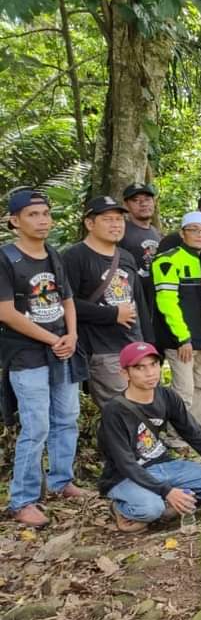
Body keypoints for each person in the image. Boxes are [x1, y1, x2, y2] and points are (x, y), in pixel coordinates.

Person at [0, 189, 88, 527]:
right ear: (14, 220)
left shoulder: (53, 253)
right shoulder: (6, 258)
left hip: (61, 348)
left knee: (67, 417)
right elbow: (6, 312)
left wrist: (72, 335)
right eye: (33, 214)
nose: (42, 220)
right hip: (26, 353)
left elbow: (66, 299)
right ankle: (22, 500)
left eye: (46, 214)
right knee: (36, 425)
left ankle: (61, 481)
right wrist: (54, 339)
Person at [99, 341, 201, 533]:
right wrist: (167, 491)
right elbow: (125, 464)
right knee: (150, 509)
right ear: (125, 373)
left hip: (163, 465)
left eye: (154, 365)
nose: (150, 373)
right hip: (125, 476)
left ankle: (166, 500)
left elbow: (194, 433)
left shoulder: (166, 396)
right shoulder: (114, 411)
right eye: (140, 368)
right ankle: (121, 507)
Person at [62, 195, 152, 406]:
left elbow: (138, 302)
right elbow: (66, 304)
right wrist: (112, 315)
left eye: (119, 219)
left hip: (134, 344)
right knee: (123, 410)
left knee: (143, 407)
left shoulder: (126, 256)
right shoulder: (75, 257)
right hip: (103, 350)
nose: (116, 225)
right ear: (89, 223)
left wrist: (148, 344)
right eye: (108, 219)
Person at [151, 211, 201, 429]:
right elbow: (167, 302)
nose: (200, 235)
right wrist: (183, 337)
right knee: (184, 392)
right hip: (181, 340)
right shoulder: (168, 260)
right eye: (194, 230)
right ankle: (176, 438)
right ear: (182, 233)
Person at [118, 182, 162, 287]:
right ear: (126, 205)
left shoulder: (157, 233)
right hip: (132, 295)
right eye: (136, 200)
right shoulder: (120, 232)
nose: (143, 204)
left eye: (147, 199)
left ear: (154, 202)